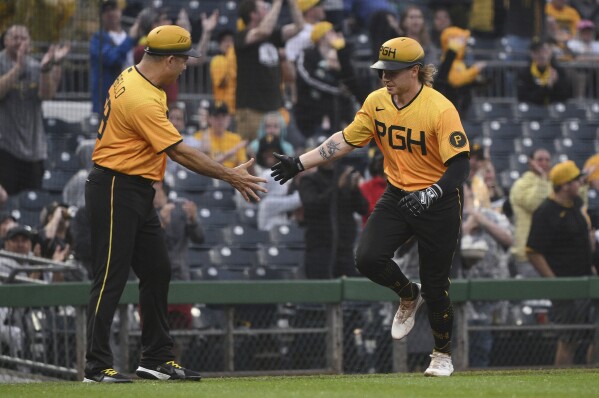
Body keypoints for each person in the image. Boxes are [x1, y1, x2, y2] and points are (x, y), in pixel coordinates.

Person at [271, 37, 471, 376]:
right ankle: (408, 294)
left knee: (437, 286)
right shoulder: (377, 101)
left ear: (415, 71)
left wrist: (433, 193)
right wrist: (300, 163)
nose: (385, 78)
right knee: (366, 257)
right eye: (382, 71)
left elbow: (461, 165)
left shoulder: (440, 108)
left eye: (393, 72)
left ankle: (442, 355)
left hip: (438, 201)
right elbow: (346, 139)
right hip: (398, 193)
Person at [83, 24, 266, 383]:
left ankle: (155, 358)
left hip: (136, 187)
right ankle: (95, 366)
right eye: (183, 61)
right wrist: (231, 175)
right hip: (114, 186)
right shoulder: (141, 97)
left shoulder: (138, 78)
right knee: (111, 277)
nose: (185, 67)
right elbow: (180, 152)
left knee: (157, 269)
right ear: (168, 60)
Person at [526, 160, 596, 366]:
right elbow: (533, 252)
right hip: (564, 285)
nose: (581, 183)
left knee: (595, 334)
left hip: (586, 280)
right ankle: (561, 376)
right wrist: (554, 283)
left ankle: (592, 373)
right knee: (569, 339)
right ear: (565, 184)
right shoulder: (546, 211)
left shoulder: (576, 205)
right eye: (576, 180)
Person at [0, 24, 70, 195]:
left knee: (33, 200)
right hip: (6, 148)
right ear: (5, 41)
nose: (19, 42)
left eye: (23, 38)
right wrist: (17, 68)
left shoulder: (34, 65)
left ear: (30, 42)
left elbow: (47, 94)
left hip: (34, 150)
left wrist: (49, 68)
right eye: (15, 38)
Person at [235, 0, 304, 141]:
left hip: (274, 109)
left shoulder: (274, 35)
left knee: (275, 153)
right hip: (251, 109)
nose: (268, 9)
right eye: (263, 7)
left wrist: (291, 4)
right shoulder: (242, 36)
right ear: (253, 14)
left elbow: (299, 26)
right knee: (251, 155)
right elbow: (264, 31)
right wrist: (278, 3)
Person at [298, 154, 369, 279]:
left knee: (349, 290)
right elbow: (312, 205)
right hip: (320, 248)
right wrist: (337, 187)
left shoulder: (344, 177)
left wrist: (354, 189)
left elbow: (363, 208)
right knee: (322, 290)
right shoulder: (309, 180)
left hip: (344, 249)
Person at [294, 21, 359, 140]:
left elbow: (351, 81)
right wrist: (335, 89)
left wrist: (341, 50)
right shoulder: (307, 54)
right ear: (322, 37)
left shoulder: (339, 55)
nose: (335, 34)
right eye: (331, 32)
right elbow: (308, 78)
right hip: (310, 113)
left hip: (335, 114)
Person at [89, 0, 139, 115]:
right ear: (102, 16)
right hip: (107, 101)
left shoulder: (130, 36)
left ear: (120, 11)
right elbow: (111, 59)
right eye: (106, 11)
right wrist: (129, 40)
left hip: (130, 97)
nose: (111, 13)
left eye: (114, 9)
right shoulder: (98, 38)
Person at [509, 148, 552, 277]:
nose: (544, 163)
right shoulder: (520, 185)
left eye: (547, 160)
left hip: (549, 251)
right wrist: (542, 178)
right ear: (530, 162)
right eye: (540, 159)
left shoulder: (551, 184)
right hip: (527, 252)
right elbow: (535, 205)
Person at [193, 102, 248, 168]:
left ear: (229, 118)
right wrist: (230, 153)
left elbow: (242, 164)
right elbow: (205, 165)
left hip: (231, 176)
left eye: (224, 116)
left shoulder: (236, 138)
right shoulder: (199, 137)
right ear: (209, 119)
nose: (220, 120)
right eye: (216, 116)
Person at [516, 39, 571, 106]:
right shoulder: (525, 72)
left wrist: (557, 82)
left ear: (550, 53)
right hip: (533, 111)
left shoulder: (558, 71)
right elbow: (523, 98)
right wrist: (547, 87)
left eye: (544, 51)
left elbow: (566, 97)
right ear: (532, 54)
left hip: (554, 112)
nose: (541, 55)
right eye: (537, 52)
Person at [210, 30, 237, 115]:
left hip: (238, 109)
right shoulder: (217, 60)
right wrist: (230, 60)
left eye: (231, 41)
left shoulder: (237, 60)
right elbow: (221, 83)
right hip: (223, 110)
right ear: (219, 44)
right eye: (225, 41)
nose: (229, 44)